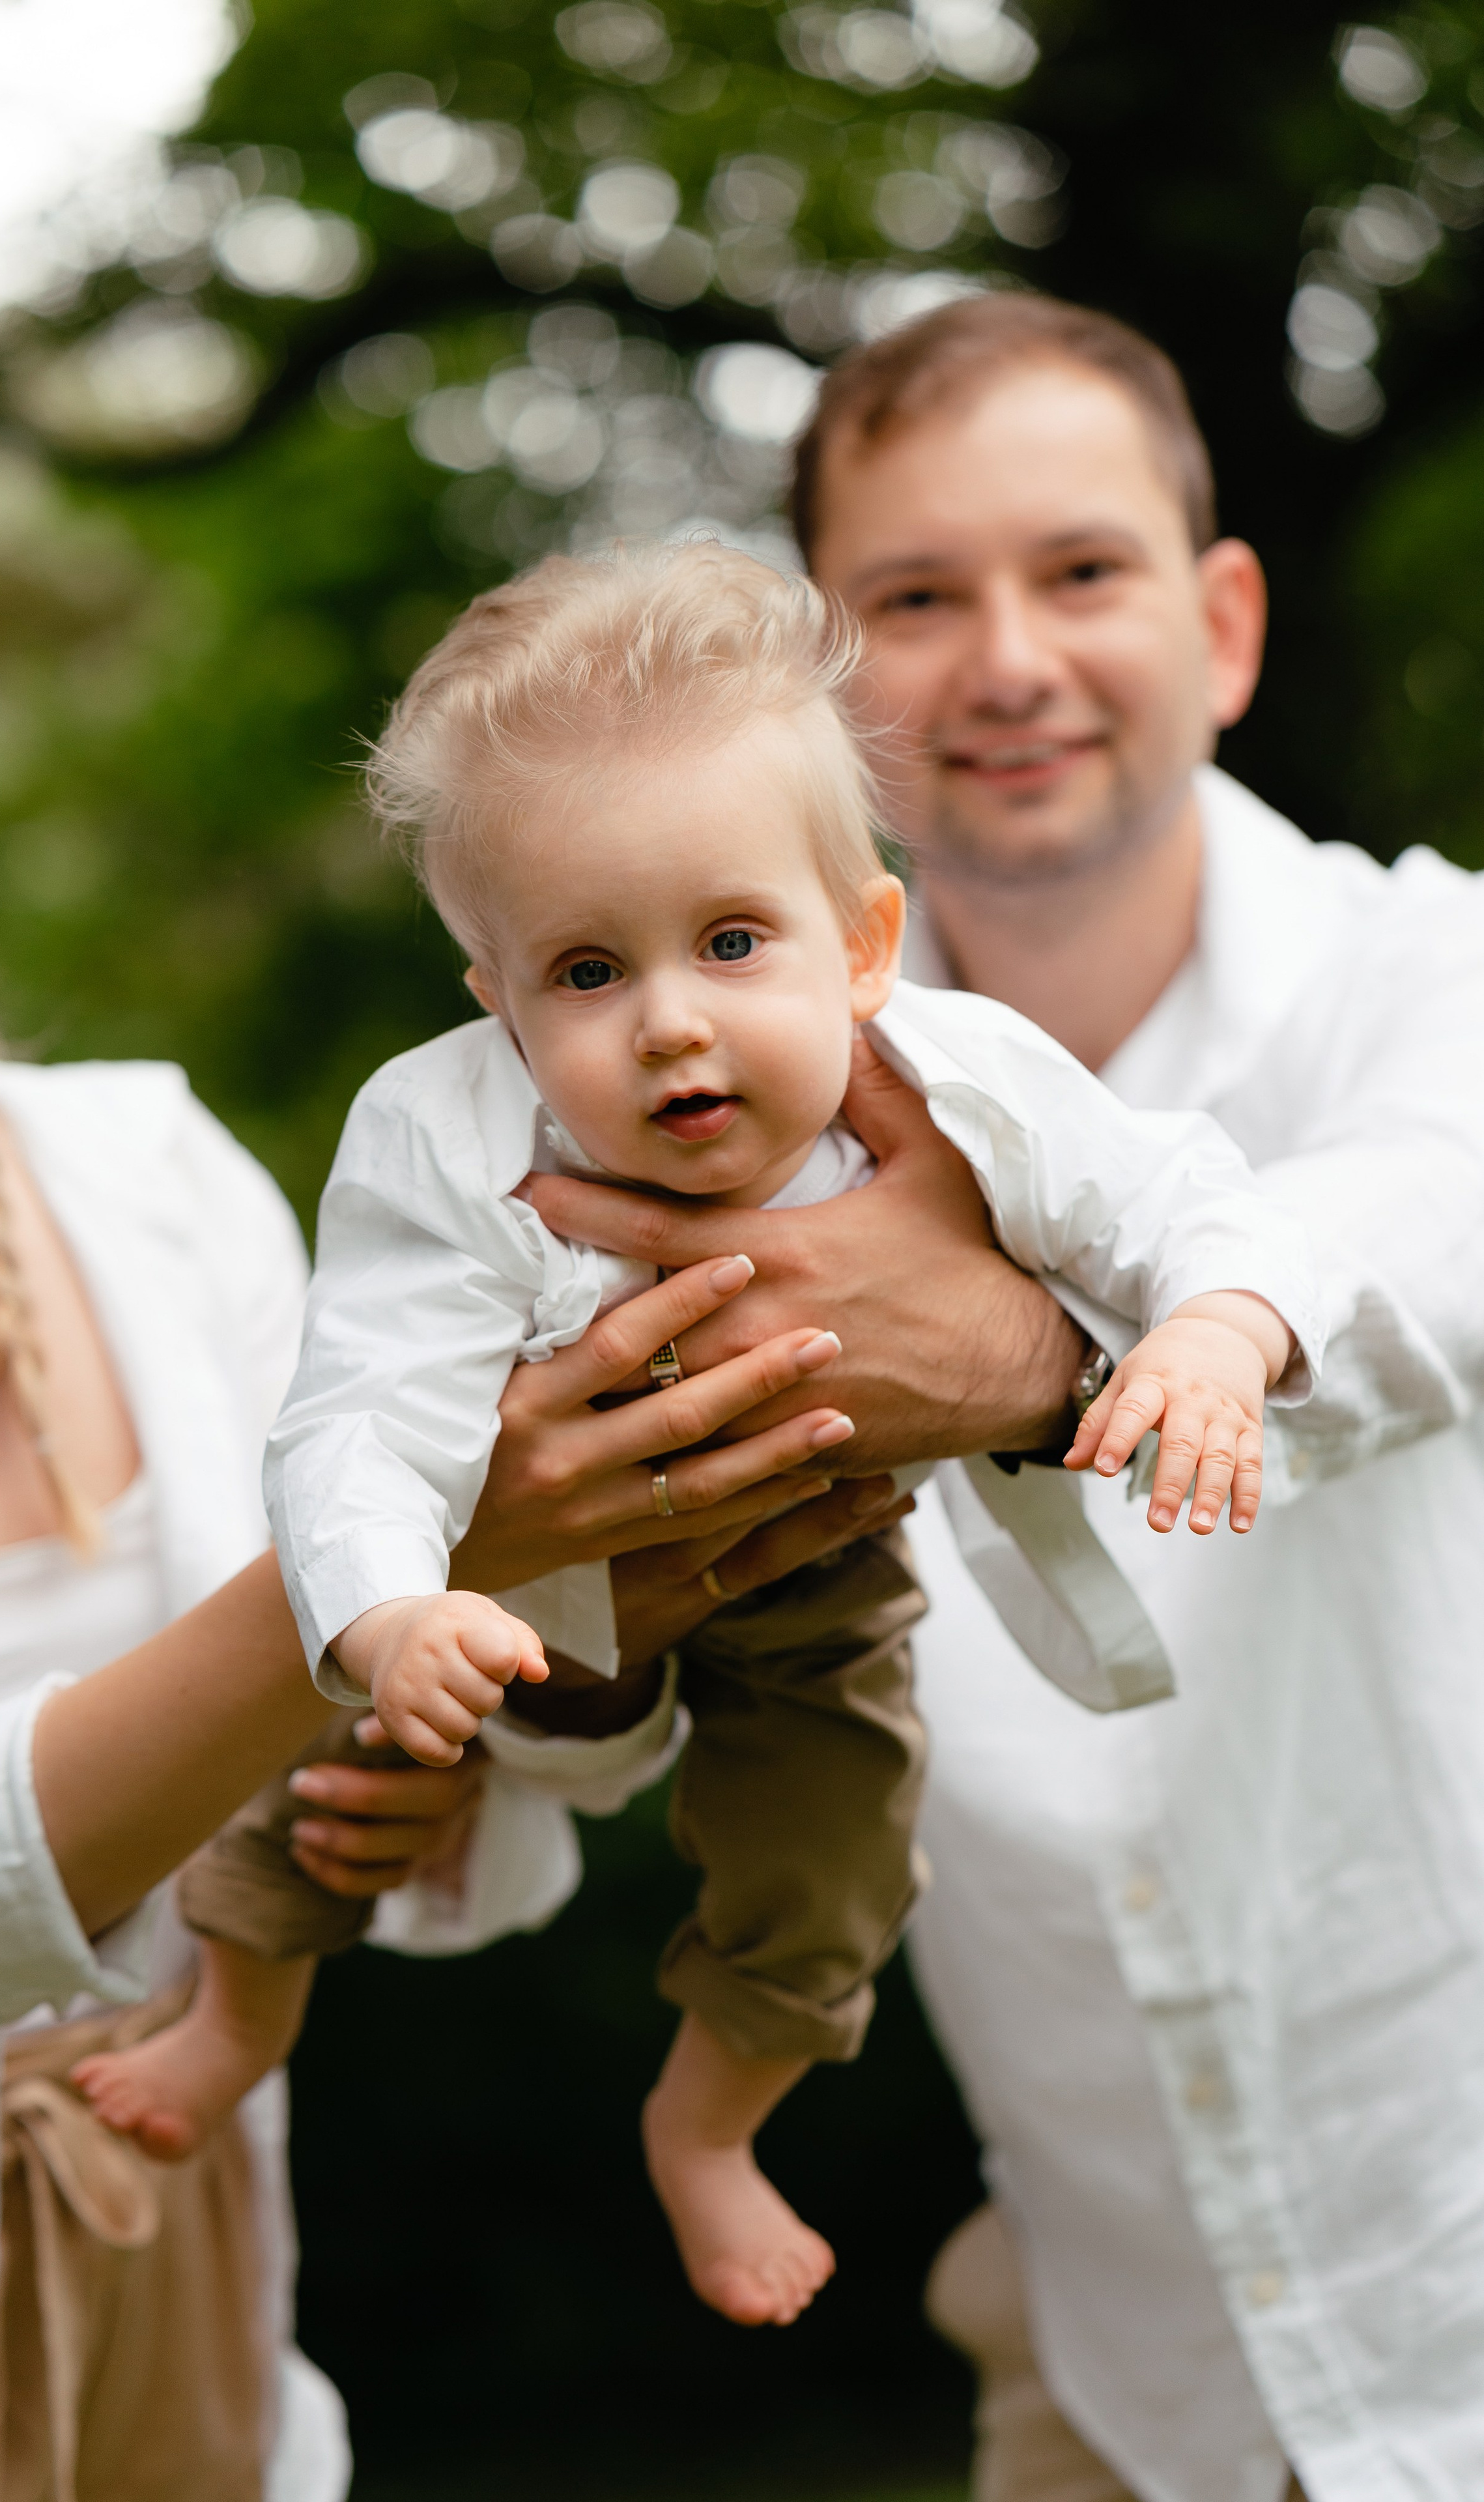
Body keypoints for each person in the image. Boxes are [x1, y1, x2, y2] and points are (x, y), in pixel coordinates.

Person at [76, 538, 1319, 2337]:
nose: (671, 1021)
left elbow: (1194, 1201)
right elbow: (357, 1408)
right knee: (328, 1780)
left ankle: (711, 2123)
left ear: (865, 938)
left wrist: (1210, 1331)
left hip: (805, 1567)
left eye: (734, 941)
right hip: (509, 1585)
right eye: (585, 972)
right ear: (491, 994)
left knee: (840, 1848)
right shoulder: (442, 1141)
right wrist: (388, 1615)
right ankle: (232, 2025)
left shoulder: (959, 1080)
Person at [513, 295, 1484, 2500]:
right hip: (1114, 2350)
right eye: (917, 602)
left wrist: (1045, 1370)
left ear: (1224, 624)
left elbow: (1431, 1233)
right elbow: (593, 1713)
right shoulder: (674, 1100)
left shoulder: (1435, 976)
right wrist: (544, 1626)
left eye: (1083, 573)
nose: (1010, 659)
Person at [0, 580, 849, 2502]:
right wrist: (384, 1594)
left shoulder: (148, 1173)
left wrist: (430, 1789)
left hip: (200, 2247)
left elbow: (517, 1768)